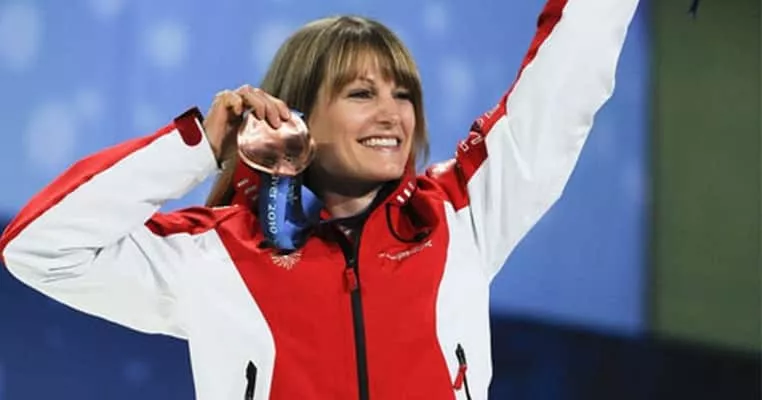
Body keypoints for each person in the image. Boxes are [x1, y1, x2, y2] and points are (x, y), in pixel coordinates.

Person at [0, 0, 640, 398]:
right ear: (297, 115)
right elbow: (39, 249)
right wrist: (199, 148)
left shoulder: (457, 216)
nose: (392, 114)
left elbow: (566, 88)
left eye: (403, 94)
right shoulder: (217, 257)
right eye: (362, 94)